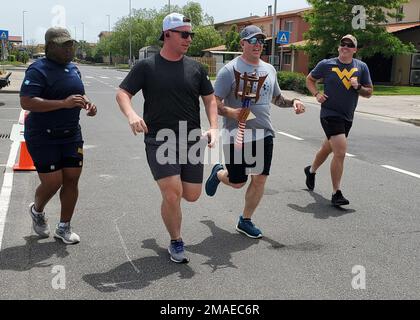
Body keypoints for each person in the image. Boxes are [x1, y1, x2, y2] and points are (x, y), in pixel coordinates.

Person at [116, 13, 218, 263]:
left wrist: (213, 127)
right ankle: (176, 241)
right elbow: (122, 93)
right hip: (159, 139)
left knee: (191, 195)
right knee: (172, 192)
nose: (189, 39)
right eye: (184, 34)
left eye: (190, 35)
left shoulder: (196, 68)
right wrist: (131, 114)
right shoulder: (146, 67)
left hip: (192, 138)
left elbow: (210, 99)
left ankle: (174, 202)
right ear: (167, 35)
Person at [204, 25, 305, 239]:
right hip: (236, 136)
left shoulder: (269, 70)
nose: (258, 44)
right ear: (242, 44)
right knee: (238, 182)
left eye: (261, 41)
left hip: (264, 134)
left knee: (259, 179)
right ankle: (219, 173)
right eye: (253, 40)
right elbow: (215, 102)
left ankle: (245, 220)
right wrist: (234, 113)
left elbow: (277, 99)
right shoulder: (229, 71)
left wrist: (294, 101)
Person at [20, 27, 97, 244]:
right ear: (50, 47)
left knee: (72, 179)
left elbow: (78, 94)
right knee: (53, 183)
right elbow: (27, 101)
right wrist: (63, 104)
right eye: (64, 45)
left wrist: (88, 105)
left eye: (71, 44)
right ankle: (37, 210)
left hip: (71, 134)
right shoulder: (38, 69)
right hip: (43, 136)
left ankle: (64, 227)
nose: (69, 49)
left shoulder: (73, 69)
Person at [304, 34, 373, 206]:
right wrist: (317, 94)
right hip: (329, 113)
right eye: (343, 44)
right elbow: (310, 79)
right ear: (338, 47)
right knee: (340, 152)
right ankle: (336, 193)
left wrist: (358, 87)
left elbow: (369, 92)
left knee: (328, 148)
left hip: (347, 116)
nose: (346, 47)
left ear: (355, 50)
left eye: (350, 45)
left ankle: (310, 171)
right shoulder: (326, 64)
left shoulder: (361, 67)